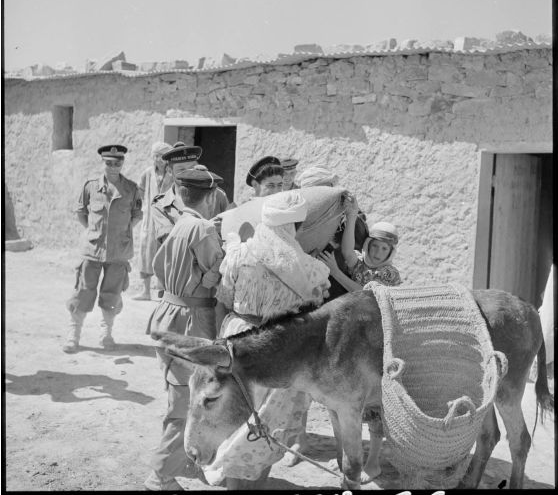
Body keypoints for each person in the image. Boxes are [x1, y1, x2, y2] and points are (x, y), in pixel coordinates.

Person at [202, 190, 330, 489]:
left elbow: (225, 297)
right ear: (296, 227)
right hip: (283, 348)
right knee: (272, 422)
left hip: (240, 337)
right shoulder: (313, 270)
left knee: (237, 416)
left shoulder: (241, 255)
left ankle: (233, 483)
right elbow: (313, 310)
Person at [144, 168, 225, 491]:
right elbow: (218, 273)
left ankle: (186, 461)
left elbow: (157, 266)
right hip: (192, 319)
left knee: (178, 395)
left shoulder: (180, 224)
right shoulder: (203, 227)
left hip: (168, 312)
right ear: (210, 197)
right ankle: (161, 475)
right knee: (187, 405)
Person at [63, 144, 143, 353]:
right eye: (109, 163)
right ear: (103, 163)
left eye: (118, 163)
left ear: (122, 163)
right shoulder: (90, 186)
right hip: (92, 250)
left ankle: (106, 335)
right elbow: (82, 213)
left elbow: (136, 215)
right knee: (83, 292)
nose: (113, 167)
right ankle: (73, 335)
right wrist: (95, 232)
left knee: (112, 294)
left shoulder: (131, 189)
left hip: (118, 252)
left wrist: (121, 234)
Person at [319, 196, 402, 291]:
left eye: (384, 249)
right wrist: (351, 216)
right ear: (368, 245)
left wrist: (335, 272)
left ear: (391, 252)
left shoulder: (391, 274)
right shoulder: (360, 264)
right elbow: (348, 252)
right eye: (375, 245)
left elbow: (369, 296)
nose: (378, 252)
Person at [133, 142, 174, 300]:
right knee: (146, 252)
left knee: (165, 252)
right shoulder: (148, 173)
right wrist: (143, 207)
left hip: (167, 218)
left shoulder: (172, 174)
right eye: (155, 156)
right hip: (150, 219)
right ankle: (145, 291)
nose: (158, 159)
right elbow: (140, 191)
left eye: (161, 156)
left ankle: (163, 291)